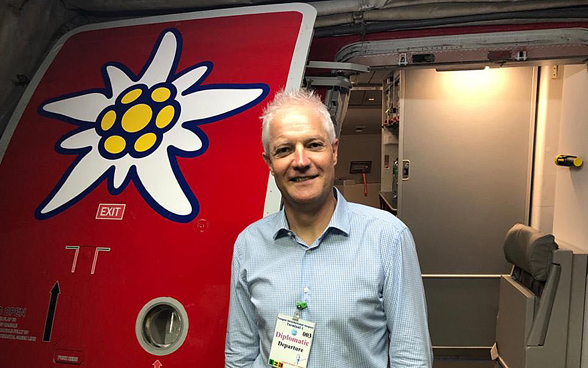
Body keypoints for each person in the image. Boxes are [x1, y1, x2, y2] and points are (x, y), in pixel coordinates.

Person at [225, 89, 432, 368]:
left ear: (333, 151)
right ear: (269, 163)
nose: (300, 162)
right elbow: (240, 354)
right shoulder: (249, 244)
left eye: (313, 145)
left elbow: (411, 357)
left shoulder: (388, 238)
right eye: (284, 149)